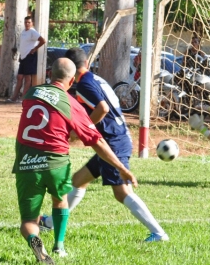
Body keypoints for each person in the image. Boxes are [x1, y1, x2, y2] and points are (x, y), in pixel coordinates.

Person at [13, 58, 138, 265]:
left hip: (26, 161)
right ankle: (59, 246)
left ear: (50, 74)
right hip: (55, 162)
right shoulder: (70, 103)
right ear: (72, 81)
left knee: (28, 221)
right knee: (60, 199)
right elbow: (97, 141)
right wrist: (122, 168)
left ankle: (36, 242)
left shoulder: (31, 93)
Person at [40, 48, 169, 243]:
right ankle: (50, 223)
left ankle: (159, 234)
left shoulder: (84, 84)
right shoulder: (95, 78)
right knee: (78, 180)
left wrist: (86, 128)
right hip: (115, 137)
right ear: (87, 64)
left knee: (122, 192)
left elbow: (103, 108)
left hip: (112, 141)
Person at [8, 16, 46, 102]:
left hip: (30, 56)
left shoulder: (33, 32)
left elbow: (43, 40)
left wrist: (35, 49)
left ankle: (23, 97)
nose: (27, 24)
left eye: (29, 22)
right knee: (19, 77)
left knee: (28, 78)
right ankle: (14, 97)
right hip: (23, 56)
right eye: (26, 22)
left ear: (32, 23)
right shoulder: (24, 32)